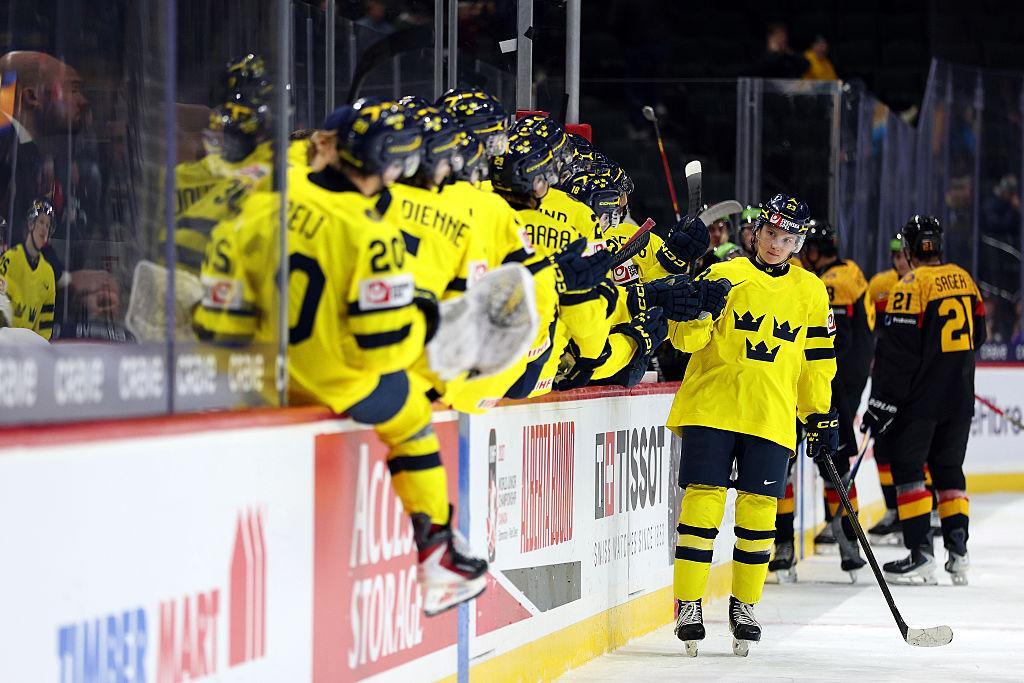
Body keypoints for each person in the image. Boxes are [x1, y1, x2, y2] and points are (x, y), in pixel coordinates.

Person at [194, 102, 494, 616]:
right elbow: (385, 346)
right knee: (413, 416)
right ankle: (437, 557)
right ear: (392, 164)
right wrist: (429, 318)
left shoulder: (265, 200)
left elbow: (219, 321)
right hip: (330, 382)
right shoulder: (372, 234)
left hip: (254, 373)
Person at [667, 193, 837, 657]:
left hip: (771, 414)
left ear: (797, 242)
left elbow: (817, 361)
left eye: (787, 238)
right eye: (770, 234)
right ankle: (689, 604)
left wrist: (818, 413)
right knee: (702, 508)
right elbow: (684, 342)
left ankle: (744, 605)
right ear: (756, 232)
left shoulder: (810, 290)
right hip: (713, 408)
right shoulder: (723, 274)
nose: (776, 245)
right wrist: (698, 305)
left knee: (759, 515)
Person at [863, 215, 984, 586]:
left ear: (912, 250)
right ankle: (959, 553)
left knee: (909, 471)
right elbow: (978, 334)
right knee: (950, 472)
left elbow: (897, 355)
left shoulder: (911, 285)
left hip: (920, 403)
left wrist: (881, 402)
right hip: (959, 399)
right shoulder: (964, 279)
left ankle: (920, 552)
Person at [864, 233, 913, 544]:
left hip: (914, 381)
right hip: (884, 374)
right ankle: (894, 509)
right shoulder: (880, 285)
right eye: (895, 255)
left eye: (903, 255)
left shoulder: (925, 284)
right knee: (882, 445)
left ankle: (925, 510)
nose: (899, 261)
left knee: (913, 449)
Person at [0, 199, 57, 339]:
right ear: (31, 224)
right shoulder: (10, 259)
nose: (44, 229)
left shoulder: (48, 273)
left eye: (48, 225)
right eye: (41, 222)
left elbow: (45, 324)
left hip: (28, 348)